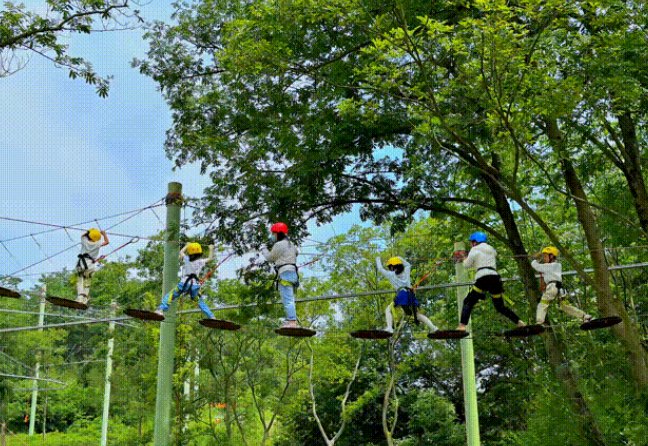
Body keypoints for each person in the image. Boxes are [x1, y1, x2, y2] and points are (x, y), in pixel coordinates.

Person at [456, 231, 526, 331]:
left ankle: (462, 326)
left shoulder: (474, 249)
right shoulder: (491, 249)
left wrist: (464, 258)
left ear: (475, 241)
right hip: (495, 278)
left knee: (468, 301)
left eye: (471, 242)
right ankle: (519, 322)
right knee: (500, 306)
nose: (471, 244)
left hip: (483, 278)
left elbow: (467, 265)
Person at [376, 256, 437, 334]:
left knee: (388, 310)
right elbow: (408, 264)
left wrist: (378, 259)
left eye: (390, 267)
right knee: (415, 314)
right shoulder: (406, 271)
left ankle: (389, 328)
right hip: (409, 294)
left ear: (392, 267)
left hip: (402, 295)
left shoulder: (391, 275)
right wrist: (399, 258)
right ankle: (433, 327)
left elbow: (380, 269)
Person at [156, 242, 216, 319]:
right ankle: (211, 316)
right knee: (200, 302)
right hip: (194, 286)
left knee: (170, 295)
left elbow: (181, 252)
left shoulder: (187, 259)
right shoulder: (201, 261)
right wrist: (211, 248)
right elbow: (210, 259)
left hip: (184, 284)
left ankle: (161, 310)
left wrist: (186, 246)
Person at [531, 246, 591, 324]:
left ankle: (539, 321)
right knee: (565, 306)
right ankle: (584, 316)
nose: (544, 258)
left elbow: (536, 266)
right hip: (560, 289)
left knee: (543, 304)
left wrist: (534, 259)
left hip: (552, 287)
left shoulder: (550, 266)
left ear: (551, 256)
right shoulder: (558, 265)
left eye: (545, 256)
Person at [261, 222, 300, 328]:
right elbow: (297, 251)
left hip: (285, 272)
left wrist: (263, 249)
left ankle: (292, 321)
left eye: (273, 234)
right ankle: (290, 320)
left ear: (278, 233)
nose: (273, 236)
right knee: (289, 297)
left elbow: (270, 257)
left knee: (287, 299)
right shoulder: (291, 244)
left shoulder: (278, 245)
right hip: (292, 272)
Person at [76, 228, 109, 304]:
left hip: (82, 263)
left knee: (80, 281)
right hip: (91, 265)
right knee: (87, 281)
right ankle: (84, 299)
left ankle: (80, 298)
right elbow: (107, 242)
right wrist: (103, 234)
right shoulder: (98, 244)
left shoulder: (85, 241)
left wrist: (90, 232)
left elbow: (83, 235)